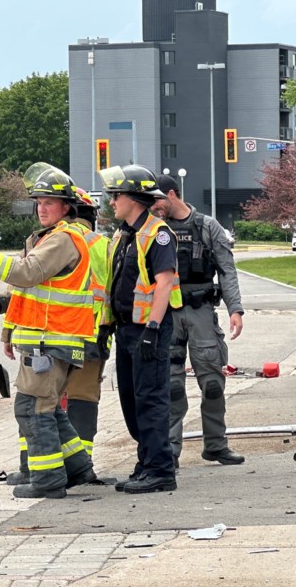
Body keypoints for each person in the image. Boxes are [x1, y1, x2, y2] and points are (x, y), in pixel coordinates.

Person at [0, 166, 97, 499]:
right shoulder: (50, 238)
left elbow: (26, 272)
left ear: (67, 207)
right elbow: (25, 292)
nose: (42, 208)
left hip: (51, 341)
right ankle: (77, 468)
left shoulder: (63, 239)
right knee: (47, 408)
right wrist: (8, 331)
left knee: (32, 408)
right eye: (38, 202)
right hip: (45, 339)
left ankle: (49, 480)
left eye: (50, 202)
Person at [151, 173, 246, 467]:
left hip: (202, 311)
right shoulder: (154, 229)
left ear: (171, 195)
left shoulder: (207, 227)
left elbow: (227, 270)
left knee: (213, 384)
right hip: (167, 313)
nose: (151, 207)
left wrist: (236, 309)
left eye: (155, 201)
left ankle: (216, 445)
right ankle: (170, 451)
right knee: (172, 386)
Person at [100, 165, 182, 494]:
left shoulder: (157, 233)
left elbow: (164, 284)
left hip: (150, 332)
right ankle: (146, 462)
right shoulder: (125, 234)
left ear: (134, 198)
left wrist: (151, 327)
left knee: (151, 399)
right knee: (132, 401)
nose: (111, 202)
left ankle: (160, 469)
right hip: (126, 331)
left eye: (116, 196)